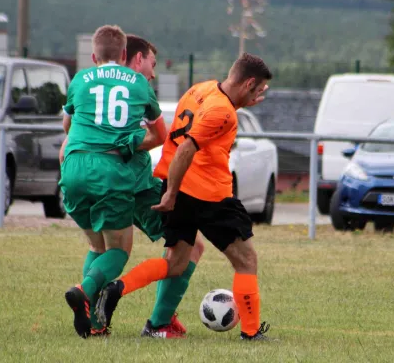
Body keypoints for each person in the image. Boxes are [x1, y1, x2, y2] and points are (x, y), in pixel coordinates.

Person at [96, 52, 273, 341]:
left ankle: (116, 289)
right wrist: (172, 195)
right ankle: (251, 333)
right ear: (249, 82)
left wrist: (172, 191)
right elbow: (187, 149)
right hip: (208, 195)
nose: (256, 96)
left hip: (176, 185)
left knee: (176, 262)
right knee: (246, 261)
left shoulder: (200, 90)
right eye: (256, 90)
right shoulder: (222, 111)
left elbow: (200, 130)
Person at [60, 33, 205, 338]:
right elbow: (158, 135)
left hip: (79, 172)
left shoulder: (86, 83)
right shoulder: (138, 89)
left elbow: (68, 132)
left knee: (98, 247)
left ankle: (97, 322)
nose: (153, 72)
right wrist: (130, 145)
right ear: (135, 57)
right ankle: (159, 323)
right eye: (152, 63)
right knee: (188, 245)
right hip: (126, 182)